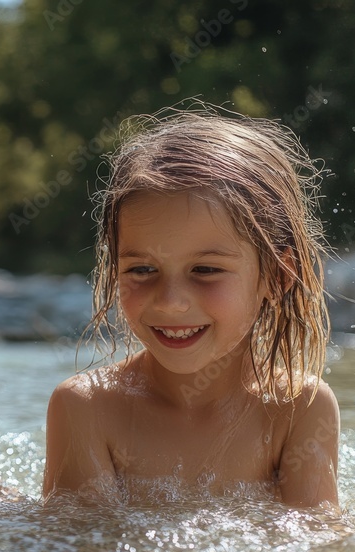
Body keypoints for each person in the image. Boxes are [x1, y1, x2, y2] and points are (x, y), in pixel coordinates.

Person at [44, 107, 339, 510]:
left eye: (205, 270)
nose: (170, 301)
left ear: (278, 276)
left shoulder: (297, 408)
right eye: (143, 269)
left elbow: (313, 545)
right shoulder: (87, 408)